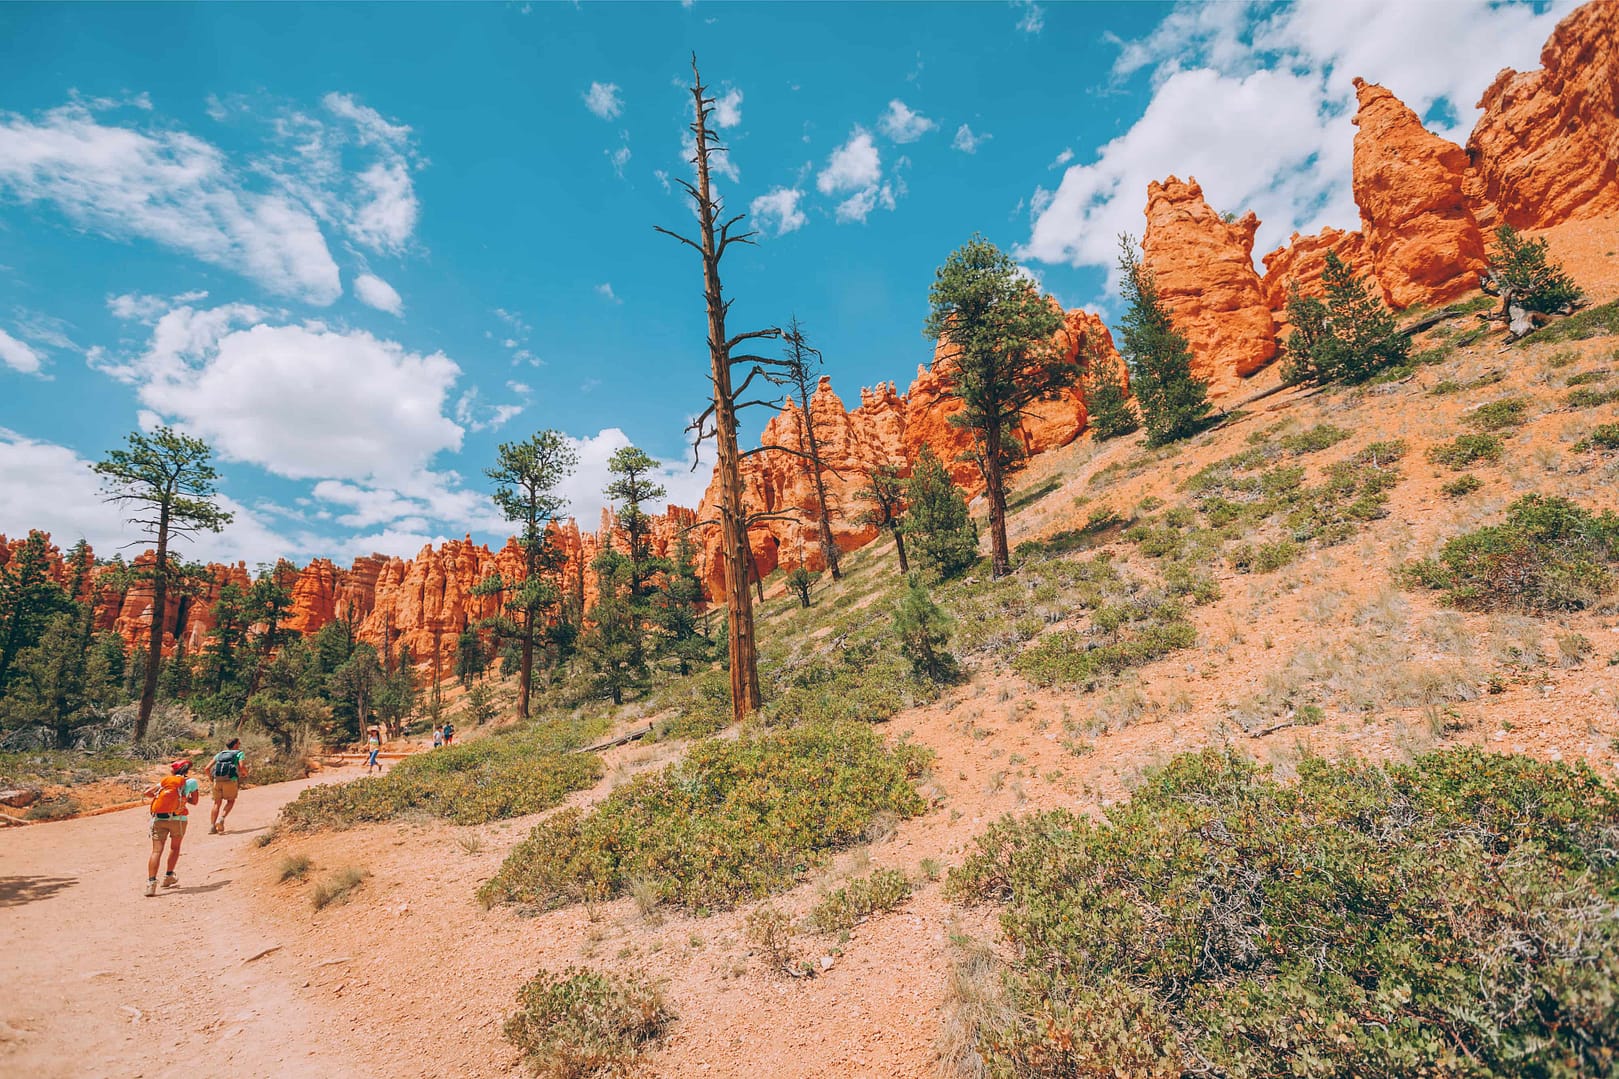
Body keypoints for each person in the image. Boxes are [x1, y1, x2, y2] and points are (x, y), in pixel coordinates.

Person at [143, 759, 200, 897]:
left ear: (173, 771)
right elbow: (195, 801)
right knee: (175, 848)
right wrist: (183, 799)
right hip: (178, 820)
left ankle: (151, 884)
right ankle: (168, 876)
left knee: (156, 851)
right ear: (186, 770)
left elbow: (148, 793)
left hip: (159, 819)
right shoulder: (191, 782)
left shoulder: (165, 781)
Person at [208, 737, 248, 834]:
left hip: (217, 781)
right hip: (230, 780)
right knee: (231, 801)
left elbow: (207, 768)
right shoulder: (239, 753)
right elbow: (241, 766)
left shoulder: (220, 754)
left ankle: (212, 827)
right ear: (235, 745)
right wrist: (245, 773)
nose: (239, 745)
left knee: (217, 803)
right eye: (239, 743)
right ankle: (221, 819)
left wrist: (211, 778)